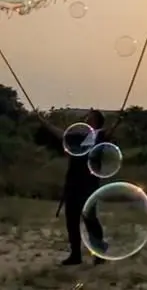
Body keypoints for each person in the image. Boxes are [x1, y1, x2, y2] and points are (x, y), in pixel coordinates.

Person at [35, 108, 110, 266]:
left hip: (88, 184)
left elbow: (97, 146)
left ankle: (99, 253)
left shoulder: (100, 137)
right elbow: (62, 135)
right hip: (74, 183)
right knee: (72, 219)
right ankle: (75, 255)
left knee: (90, 218)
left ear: (96, 122)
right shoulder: (80, 137)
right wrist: (46, 124)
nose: (87, 120)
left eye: (90, 118)